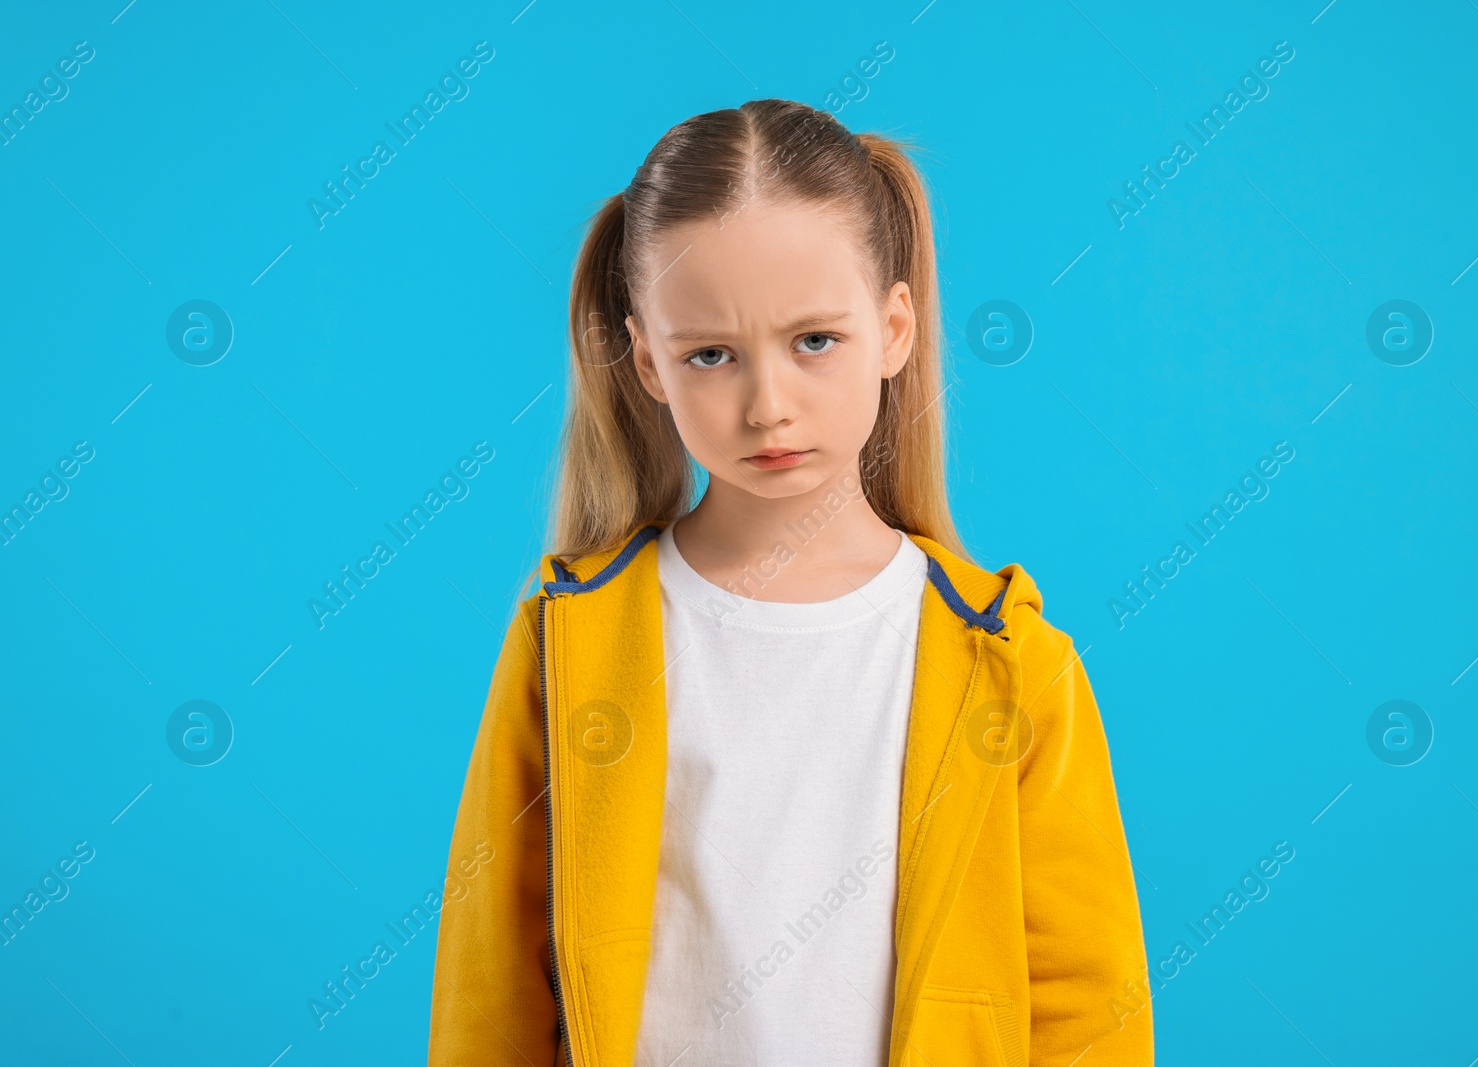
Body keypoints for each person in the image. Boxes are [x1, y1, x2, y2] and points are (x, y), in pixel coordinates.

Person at [427, 98, 1153, 1067]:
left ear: (894, 328)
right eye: (710, 354)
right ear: (648, 360)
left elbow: (1086, 1003)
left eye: (815, 340)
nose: (768, 404)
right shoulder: (569, 636)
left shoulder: (1011, 659)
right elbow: (492, 983)